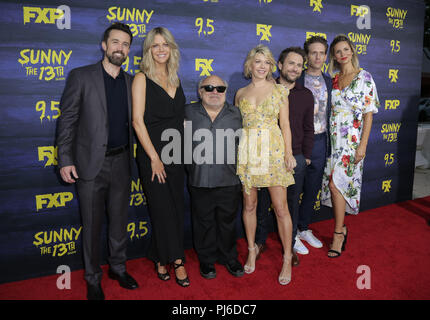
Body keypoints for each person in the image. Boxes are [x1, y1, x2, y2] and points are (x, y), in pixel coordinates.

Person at [56, 22, 139, 300]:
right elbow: (67, 120)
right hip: (90, 164)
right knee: (91, 226)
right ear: (104, 45)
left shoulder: (132, 82)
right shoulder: (81, 76)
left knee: (119, 222)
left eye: (125, 44)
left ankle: (117, 267)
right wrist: (65, 158)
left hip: (123, 162)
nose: (120, 48)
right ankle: (93, 277)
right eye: (115, 42)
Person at [132, 27, 189, 287]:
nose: (161, 49)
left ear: (171, 48)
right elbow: (137, 121)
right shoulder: (141, 78)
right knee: (163, 210)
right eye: (155, 45)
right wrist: (154, 157)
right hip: (153, 156)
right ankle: (177, 260)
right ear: (148, 50)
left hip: (177, 154)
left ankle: (157, 256)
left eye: (165, 44)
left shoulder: (175, 78)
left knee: (175, 208)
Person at [235, 44, 296, 285]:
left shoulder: (280, 91)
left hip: (273, 151)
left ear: (272, 66)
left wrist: (289, 154)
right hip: (249, 152)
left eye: (266, 62)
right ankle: (251, 249)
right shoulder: (240, 93)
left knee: (281, 208)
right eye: (257, 61)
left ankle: (287, 257)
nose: (262, 66)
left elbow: (286, 125)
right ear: (250, 65)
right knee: (249, 205)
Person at [255, 47, 315, 267]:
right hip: (264, 157)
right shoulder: (264, 89)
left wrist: (305, 157)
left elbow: (309, 128)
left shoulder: (306, 95)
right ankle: (259, 242)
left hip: (294, 157)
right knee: (261, 203)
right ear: (279, 65)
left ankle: (289, 247)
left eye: (299, 65)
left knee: (290, 204)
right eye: (291, 63)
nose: (295, 68)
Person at [321, 34, 379, 257]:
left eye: (346, 49)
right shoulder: (333, 79)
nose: (342, 54)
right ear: (334, 56)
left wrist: (362, 146)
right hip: (333, 141)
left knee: (337, 186)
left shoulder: (364, 77)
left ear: (352, 51)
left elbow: (368, 115)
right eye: (338, 51)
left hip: (352, 142)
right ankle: (341, 229)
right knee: (336, 185)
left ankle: (338, 233)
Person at [185, 75, 244, 279]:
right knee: (203, 222)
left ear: (226, 92)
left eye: (220, 88)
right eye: (209, 87)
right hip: (199, 180)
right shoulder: (187, 112)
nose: (214, 92)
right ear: (200, 91)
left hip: (229, 180)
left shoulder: (236, 114)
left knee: (227, 222)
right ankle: (207, 260)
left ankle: (229, 257)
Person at [292, 36, 333, 255]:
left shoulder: (329, 81)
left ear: (326, 56)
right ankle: (291, 236)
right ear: (306, 55)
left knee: (312, 189)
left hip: (320, 141)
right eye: (313, 52)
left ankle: (304, 228)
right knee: (294, 189)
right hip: (298, 142)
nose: (317, 57)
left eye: (321, 53)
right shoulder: (296, 78)